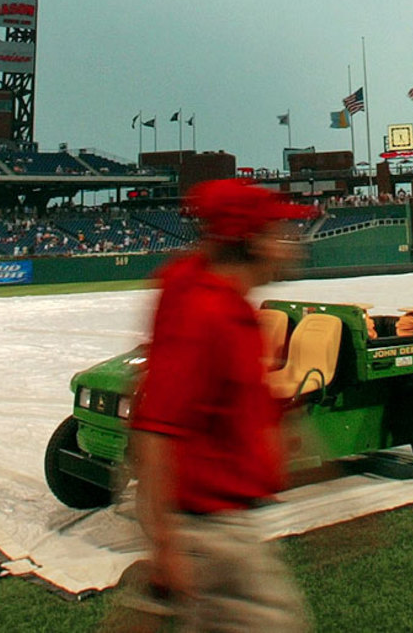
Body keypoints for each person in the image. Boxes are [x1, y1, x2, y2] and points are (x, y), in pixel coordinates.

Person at [127, 179, 315, 631]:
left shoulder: (221, 301)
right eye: (278, 232)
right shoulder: (206, 313)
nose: (290, 245)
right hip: (212, 536)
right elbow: (155, 428)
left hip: (216, 528)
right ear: (251, 241)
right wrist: (166, 547)